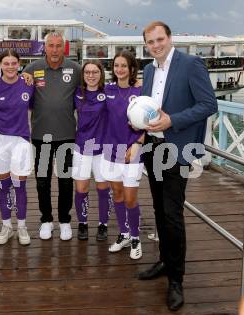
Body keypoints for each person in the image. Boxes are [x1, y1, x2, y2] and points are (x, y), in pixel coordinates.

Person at [137, 21, 218, 311]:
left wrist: (173, 120)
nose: (156, 45)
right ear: (146, 45)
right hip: (153, 147)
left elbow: (209, 105)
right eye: (150, 42)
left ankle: (176, 279)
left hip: (177, 148)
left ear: (169, 38)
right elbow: (148, 107)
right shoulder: (148, 70)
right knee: (159, 208)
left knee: (172, 214)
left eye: (160, 39)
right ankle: (164, 260)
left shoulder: (191, 64)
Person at [24, 32, 81, 241]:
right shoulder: (32, 69)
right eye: (51, 45)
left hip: (67, 134)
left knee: (66, 181)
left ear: (63, 48)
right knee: (42, 181)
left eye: (59, 46)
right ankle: (46, 220)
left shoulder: (75, 69)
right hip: (41, 135)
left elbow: (87, 95)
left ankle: (64, 220)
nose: (55, 50)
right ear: (44, 47)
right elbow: (23, 98)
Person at [0, 49, 35, 246]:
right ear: (0, 65)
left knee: (20, 185)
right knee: (4, 186)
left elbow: (37, 107)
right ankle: (7, 226)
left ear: (19, 64)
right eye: (6, 63)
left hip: (20, 140)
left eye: (14, 63)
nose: (10, 67)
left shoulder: (28, 84)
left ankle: (21, 226)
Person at [101, 50, 144, 260]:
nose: (119, 69)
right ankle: (124, 233)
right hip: (110, 150)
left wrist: (138, 142)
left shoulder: (141, 90)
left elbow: (151, 119)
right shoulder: (107, 89)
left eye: (124, 66)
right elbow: (85, 87)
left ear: (131, 68)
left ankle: (136, 237)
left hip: (132, 150)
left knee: (130, 199)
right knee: (117, 195)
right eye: (116, 66)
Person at [72, 60, 111, 241]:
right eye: (87, 72)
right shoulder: (77, 93)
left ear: (101, 74)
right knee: (81, 189)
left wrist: (138, 82)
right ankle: (83, 223)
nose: (91, 75)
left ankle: (103, 224)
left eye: (95, 72)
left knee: (103, 189)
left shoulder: (109, 91)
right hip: (82, 147)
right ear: (83, 75)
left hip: (103, 148)